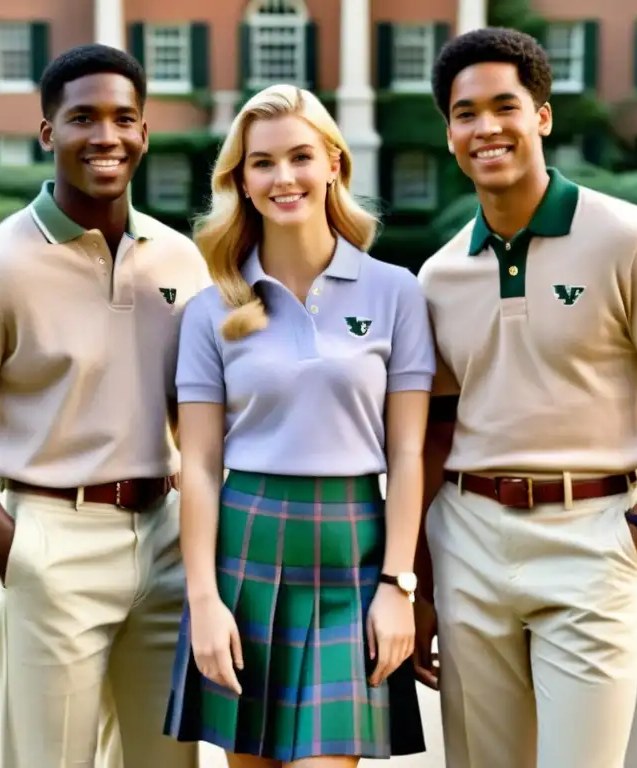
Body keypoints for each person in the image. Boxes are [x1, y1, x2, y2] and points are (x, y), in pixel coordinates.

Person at [412, 27, 637, 768]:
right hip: (469, 540)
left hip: (593, 534)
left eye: (505, 106)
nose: (486, 127)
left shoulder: (629, 237)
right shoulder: (437, 277)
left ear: (542, 117)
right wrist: (424, 583)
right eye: (466, 113)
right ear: (450, 132)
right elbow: (432, 439)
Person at [0, 43, 208, 768]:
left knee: (168, 760)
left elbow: (197, 408)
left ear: (144, 133)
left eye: (123, 119)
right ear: (48, 132)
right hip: (53, 536)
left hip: (166, 538)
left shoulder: (179, 258)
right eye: (83, 118)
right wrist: (14, 549)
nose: (104, 136)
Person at [162, 84, 434, 767]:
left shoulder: (395, 291)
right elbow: (197, 465)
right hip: (244, 549)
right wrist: (204, 601)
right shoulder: (209, 310)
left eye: (301, 156)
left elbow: (407, 452)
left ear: (334, 164)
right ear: (242, 182)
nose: (284, 177)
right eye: (262, 163)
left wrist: (399, 587)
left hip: (355, 552)